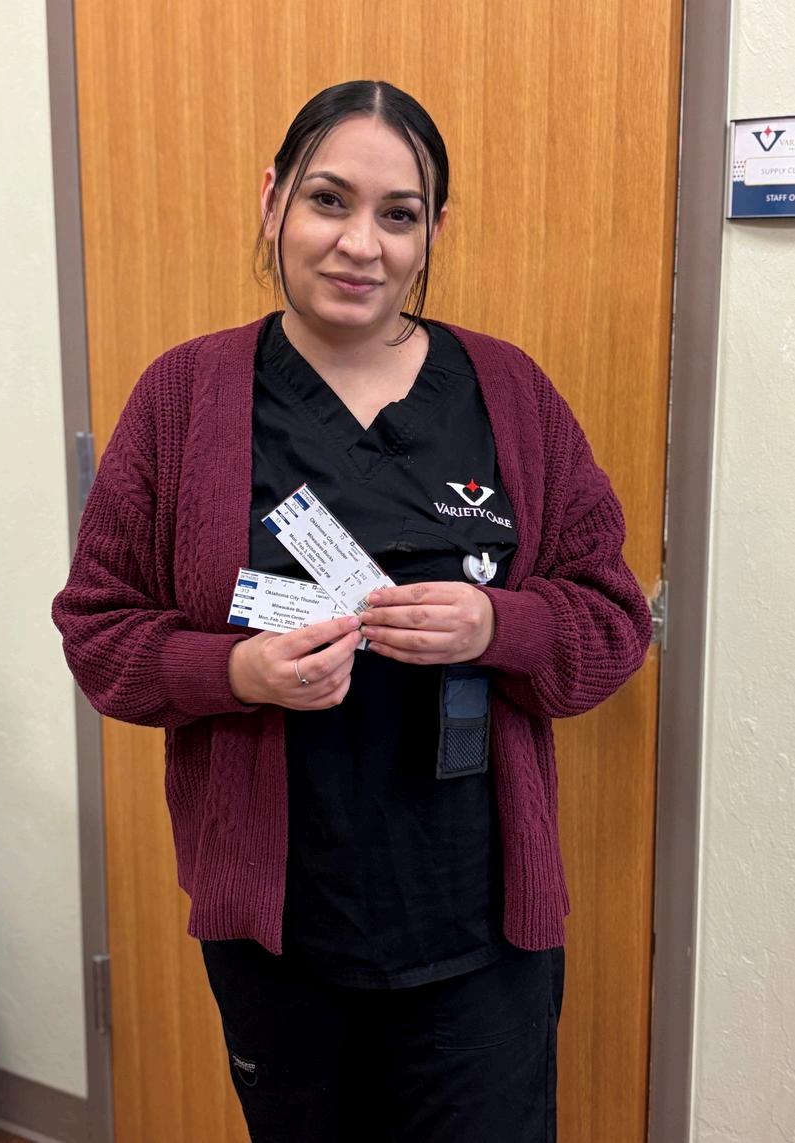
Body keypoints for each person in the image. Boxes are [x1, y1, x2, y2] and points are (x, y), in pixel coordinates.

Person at [52, 80, 652, 1143]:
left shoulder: (507, 392)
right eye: (328, 200)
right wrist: (234, 673)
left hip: (478, 927)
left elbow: (612, 620)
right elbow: (99, 630)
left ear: (432, 233)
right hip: (283, 930)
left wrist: (497, 628)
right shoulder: (184, 398)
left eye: (397, 214)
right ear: (272, 200)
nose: (359, 244)